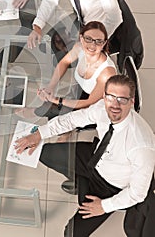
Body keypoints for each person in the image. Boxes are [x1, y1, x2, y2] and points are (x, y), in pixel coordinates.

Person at [15, 75, 155, 236]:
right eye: (110, 97)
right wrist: (39, 134)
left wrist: (103, 206)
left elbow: (138, 193)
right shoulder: (102, 107)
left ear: (132, 101)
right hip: (95, 159)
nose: (115, 105)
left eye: (122, 99)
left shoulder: (142, 145)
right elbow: (72, 120)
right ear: (104, 96)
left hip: (111, 186)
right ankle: (80, 179)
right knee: (45, 153)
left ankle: (83, 182)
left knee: (72, 233)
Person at [17, 21, 116, 120]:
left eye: (98, 41)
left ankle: (36, 113)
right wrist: (51, 87)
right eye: (88, 39)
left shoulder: (106, 73)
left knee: (56, 109)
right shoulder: (79, 48)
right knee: (55, 102)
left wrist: (57, 100)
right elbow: (64, 63)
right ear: (81, 38)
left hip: (96, 106)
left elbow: (89, 102)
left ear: (104, 43)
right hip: (82, 90)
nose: (92, 45)